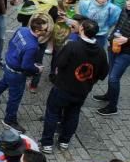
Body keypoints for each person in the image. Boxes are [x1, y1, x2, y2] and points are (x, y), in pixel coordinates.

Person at [38, 18, 108, 153]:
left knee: (52, 113)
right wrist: (90, 81)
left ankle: (47, 143)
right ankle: (64, 141)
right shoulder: (100, 51)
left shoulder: (72, 46)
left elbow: (59, 63)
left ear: (81, 29)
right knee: (73, 115)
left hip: (63, 88)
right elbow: (103, 73)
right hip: (82, 91)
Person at [0, 14, 49, 133]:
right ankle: (9, 119)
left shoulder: (22, 29)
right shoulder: (33, 46)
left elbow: (11, 42)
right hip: (17, 73)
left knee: (3, 83)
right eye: (45, 29)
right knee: (15, 97)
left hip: (9, 64)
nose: (47, 31)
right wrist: (37, 70)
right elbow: (26, 66)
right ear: (38, 31)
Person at [95, 0, 130, 115]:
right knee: (111, 75)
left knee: (114, 78)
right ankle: (109, 95)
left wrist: (127, 40)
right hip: (114, 46)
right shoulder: (124, 10)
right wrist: (111, 38)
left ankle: (112, 107)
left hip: (127, 52)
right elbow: (118, 26)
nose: (128, 3)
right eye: (127, 0)